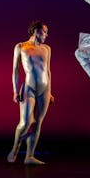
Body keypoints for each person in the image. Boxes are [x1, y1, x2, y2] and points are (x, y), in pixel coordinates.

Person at [7, 20, 54, 165]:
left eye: (46, 32)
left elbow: (48, 70)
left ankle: (29, 156)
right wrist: (15, 91)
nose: (46, 35)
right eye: (44, 32)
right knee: (26, 122)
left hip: (44, 90)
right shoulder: (21, 47)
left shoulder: (47, 48)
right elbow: (15, 71)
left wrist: (50, 91)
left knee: (38, 123)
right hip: (29, 88)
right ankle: (15, 148)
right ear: (35, 31)